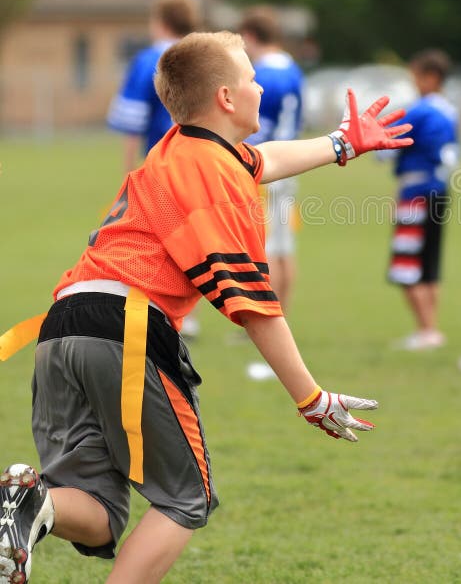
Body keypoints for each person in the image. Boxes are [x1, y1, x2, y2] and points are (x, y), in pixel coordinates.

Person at [0, 31, 412, 583]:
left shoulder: (178, 147)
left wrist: (340, 144)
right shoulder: (215, 176)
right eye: (251, 79)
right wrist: (311, 398)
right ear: (225, 97)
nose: (259, 88)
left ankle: (30, 502)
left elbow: (263, 159)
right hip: (126, 326)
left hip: (61, 327)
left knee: (97, 514)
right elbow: (253, 306)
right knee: (185, 498)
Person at [106, 0, 202, 338]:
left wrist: (127, 170)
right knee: (194, 238)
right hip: (201, 160)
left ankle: (155, 311)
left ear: (160, 22)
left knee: (154, 240)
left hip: (161, 164)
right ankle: (188, 316)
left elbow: (132, 120)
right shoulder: (202, 56)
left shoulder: (149, 60)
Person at [382, 49, 460, 351]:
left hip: (415, 191)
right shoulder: (450, 111)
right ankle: (431, 328)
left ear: (431, 77)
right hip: (440, 190)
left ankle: (426, 330)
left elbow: (385, 146)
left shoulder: (421, 111)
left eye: (415, 76)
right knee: (430, 264)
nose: (413, 83)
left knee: (407, 264)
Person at [239, 6, 304, 314]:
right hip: (292, 162)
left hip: (268, 165)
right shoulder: (292, 68)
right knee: (283, 246)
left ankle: (269, 317)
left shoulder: (264, 74)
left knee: (266, 248)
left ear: (251, 36)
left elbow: (256, 131)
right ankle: (282, 315)